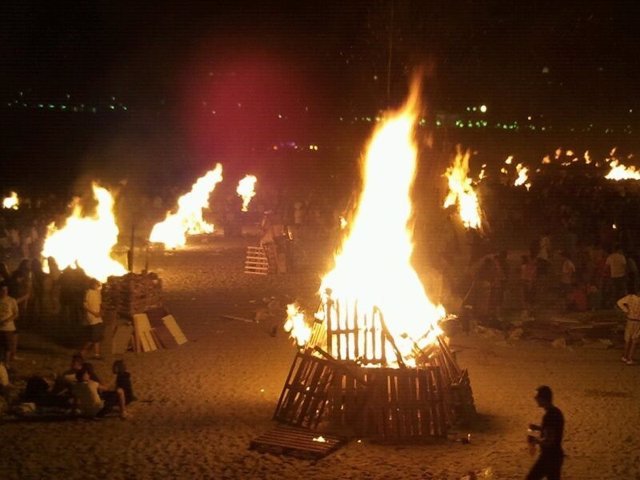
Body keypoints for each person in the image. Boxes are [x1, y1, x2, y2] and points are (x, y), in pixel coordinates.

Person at [527, 385, 564, 480]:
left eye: (536, 396)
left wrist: (534, 440)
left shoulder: (548, 416)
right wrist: (539, 428)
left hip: (548, 457)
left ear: (543, 398)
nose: (535, 398)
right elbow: (552, 430)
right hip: (557, 456)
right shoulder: (556, 412)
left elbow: (548, 441)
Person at [82, 279, 104, 359]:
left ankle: (96, 354)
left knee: (97, 336)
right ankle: (82, 352)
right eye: (95, 284)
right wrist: (93, 313)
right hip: (92, 316)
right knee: (94, 336)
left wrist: (100, 312)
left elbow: (100, 304)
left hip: (98, 316)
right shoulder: (88, 293)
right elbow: (85, 306)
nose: (97, 285)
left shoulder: (98, 293)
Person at [616, 292, 640, 365]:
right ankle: (630, 358)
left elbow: (619, 302)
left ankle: (625, 356)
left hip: (630, 319)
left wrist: (626, 310)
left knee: (627, 339)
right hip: (638, 321)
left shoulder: (630, 297)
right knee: (634, 340)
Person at [0, 283, 19, 367]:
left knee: (7, 347)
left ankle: (6, 363)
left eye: (6, 290)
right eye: (2, 290)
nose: (4, 292)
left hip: (8, 328)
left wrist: (7, 320)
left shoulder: (12, 300)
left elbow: (16, 314)